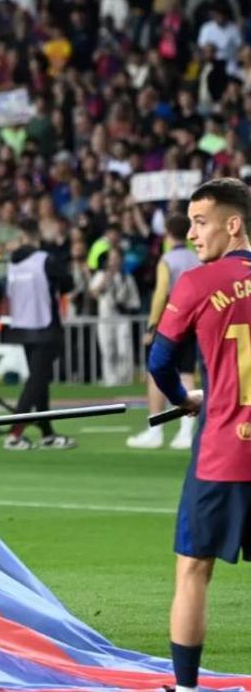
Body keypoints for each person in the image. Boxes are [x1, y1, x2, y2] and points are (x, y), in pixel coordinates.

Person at [146, 178, 251, 692]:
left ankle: (187, 688)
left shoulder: (197, 282)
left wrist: (184, 398)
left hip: (223, 453)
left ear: (233, 225)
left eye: (199, 222)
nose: (190, 233)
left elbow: (160, 362)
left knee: (193, 569)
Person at [1, 220, 77, 450]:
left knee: (39, 380)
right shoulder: (45, 260)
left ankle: (47, 433)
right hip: (45, 325)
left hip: (23, 326)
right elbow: (68, 284)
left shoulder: (12, 264)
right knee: (36, 381)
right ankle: (14, 434)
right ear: (36, 236)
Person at [128, 215, 201, 449]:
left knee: (156, 373)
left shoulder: (166, 260)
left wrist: (152, 325)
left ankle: (156, 431)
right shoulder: (197, 257)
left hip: (171, 322)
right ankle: (186, 432)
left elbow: (161, 294)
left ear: (168, 234)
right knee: (187, 373)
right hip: (194, 322)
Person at [89, 249, 140, 386]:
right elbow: (93, 293)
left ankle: (125, 380)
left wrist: (125, 305)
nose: (114, 261)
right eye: (111, 258)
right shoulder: (101, 275)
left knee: (124, 350)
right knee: (108, 350)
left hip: (122, 318)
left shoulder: (126, 277)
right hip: (105, 318)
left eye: (116, 258)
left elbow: (135, 301)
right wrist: (106, 279)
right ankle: (110, 381)